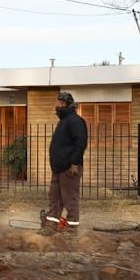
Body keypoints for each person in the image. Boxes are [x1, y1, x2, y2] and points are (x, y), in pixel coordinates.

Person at [42, 91, 88, 235]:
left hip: (70, 168)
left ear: (66, 104)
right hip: (58, 168)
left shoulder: (75, 121)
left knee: (70, 198)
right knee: (54, 197)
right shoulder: (63, 122)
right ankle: (51, 226)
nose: (58, 105)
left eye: (60, 103)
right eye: (58, 102)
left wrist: (74, 163)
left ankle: (72, 229)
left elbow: (80, 143)